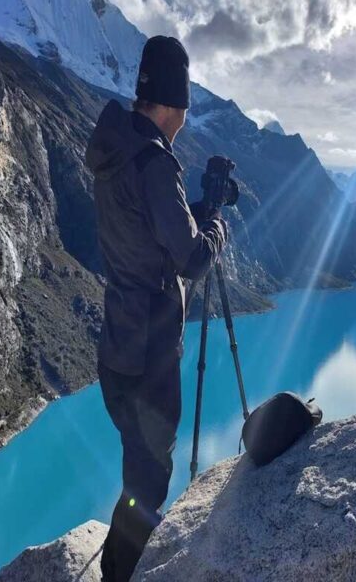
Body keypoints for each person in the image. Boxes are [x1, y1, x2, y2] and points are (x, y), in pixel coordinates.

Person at [85, 36, 227, 582]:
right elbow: (191, 258)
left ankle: (128, 542)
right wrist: (213, 220)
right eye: (186, 106)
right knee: (150, 476)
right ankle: (123, 568)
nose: (187, 118)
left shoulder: (118, 148)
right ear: (175, 103)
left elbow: (147, 230)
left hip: (118, 343)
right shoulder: (154, 161)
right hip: (150, 353)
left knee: (136, 469)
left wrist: (193, 212)